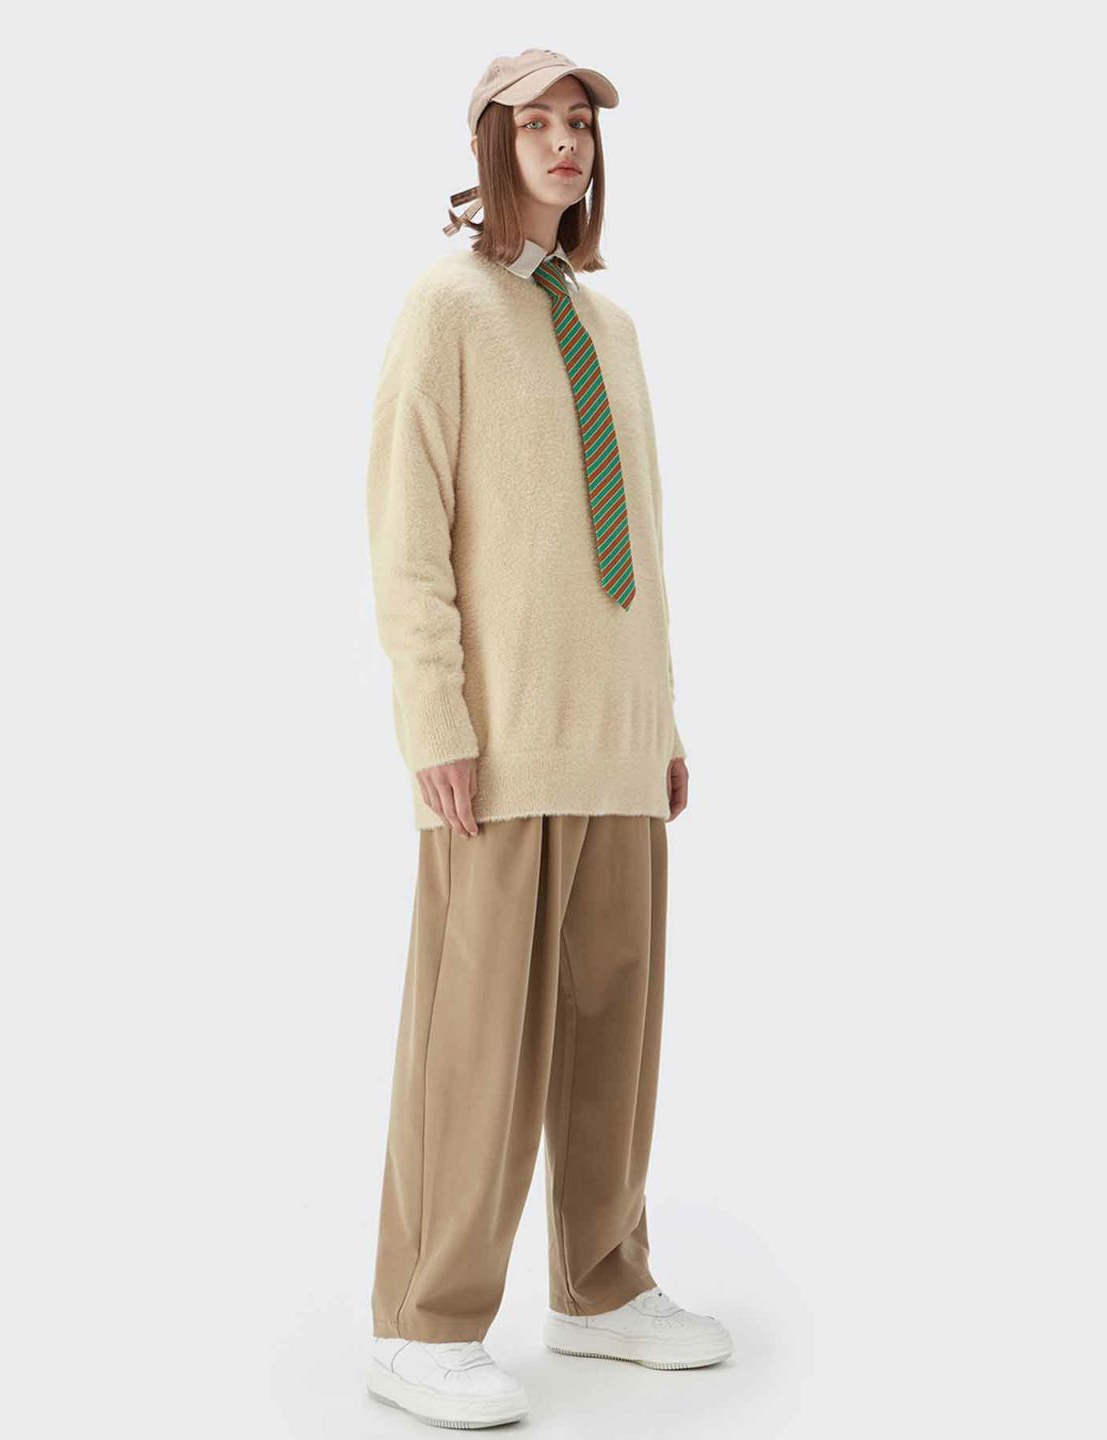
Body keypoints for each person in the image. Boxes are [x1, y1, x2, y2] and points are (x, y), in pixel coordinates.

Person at [363, 47, 732, 1430]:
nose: (566, 142)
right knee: (474, 1046)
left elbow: (638, 541)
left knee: (611, 1032)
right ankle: (423, 1322)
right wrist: (435, 721)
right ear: (492, 142)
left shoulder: (609, 325)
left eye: (581, 123)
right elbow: (407, 532)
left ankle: (602, 1285)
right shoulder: (446, 306)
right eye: (538, 122)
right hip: (501, 747)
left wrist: (663, 719)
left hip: (616, 740)